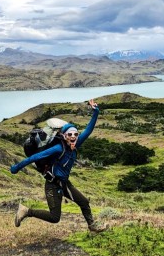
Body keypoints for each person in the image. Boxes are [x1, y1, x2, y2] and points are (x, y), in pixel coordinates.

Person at [10, 99, 107, 232]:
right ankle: (26, 211)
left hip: (65, 183)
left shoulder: (76, 144)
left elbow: (89, 130)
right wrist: (17, 167)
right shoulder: (57, 149)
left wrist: (96, 111)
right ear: (64, 135)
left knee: (84, 202)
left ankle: (92, 226)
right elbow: (34, 157)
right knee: (55, 217)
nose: (73, 137)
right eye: (70, 134)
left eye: (76, 134)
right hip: (53, 184)